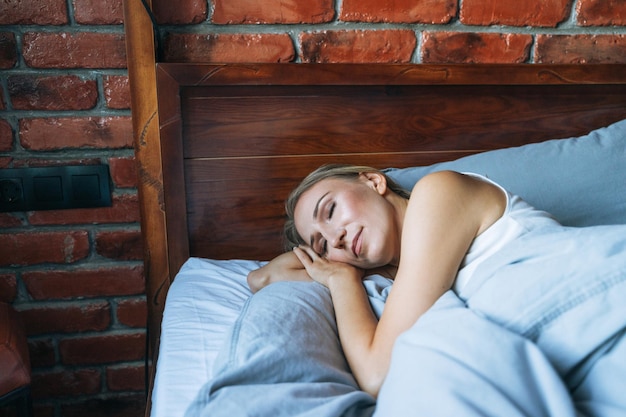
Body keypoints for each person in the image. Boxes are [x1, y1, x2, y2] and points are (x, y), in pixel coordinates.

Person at [245, 164, 580, 398]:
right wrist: (340, 268)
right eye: (322, 245)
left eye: (330, 210)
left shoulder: (440, 191)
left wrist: (343, 280)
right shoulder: (403, 273)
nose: (337, 238)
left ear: (373, 182)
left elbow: (378, 375)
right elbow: (262, 278)